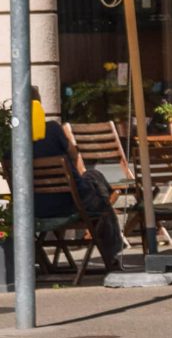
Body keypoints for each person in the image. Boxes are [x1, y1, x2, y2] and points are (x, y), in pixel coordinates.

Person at [29, 99, 128, 273]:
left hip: (36, 208)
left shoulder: (11, 139)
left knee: (96, 185)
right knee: (97, 184)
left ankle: (110, 241)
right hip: (71, 204)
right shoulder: (52, 129)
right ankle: (112, 253)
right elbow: (74, 154)